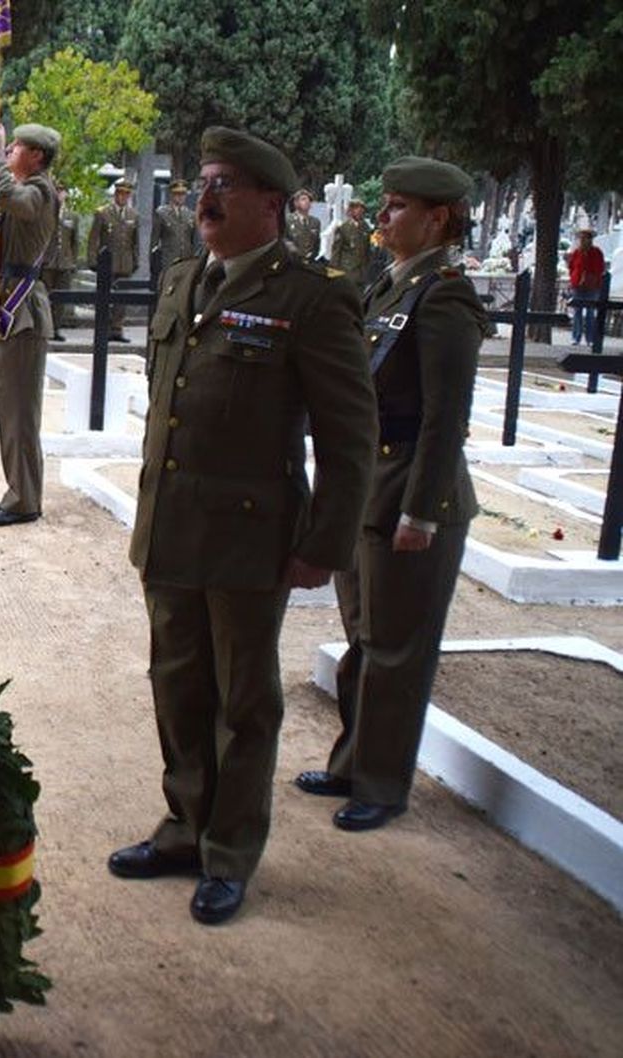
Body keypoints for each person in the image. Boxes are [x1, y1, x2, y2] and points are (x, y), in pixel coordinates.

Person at [111, 126, 376, 926]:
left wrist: (325, 545)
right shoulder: (183, 279)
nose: (207, 198)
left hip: (248, 540)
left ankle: (229, 853)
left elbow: (349, 436)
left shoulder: (313, 297)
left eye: (225, 185)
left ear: (272, 204)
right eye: (202, 183)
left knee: (244, 702)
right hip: (172, 530)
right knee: (177, 686)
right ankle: (184, 826)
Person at [295, 157, 490, 831]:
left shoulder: (445, 297)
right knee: (364, 638)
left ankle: (382, 783)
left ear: (438, 218)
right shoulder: (391, 286)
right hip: (369, 488)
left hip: (410, 492)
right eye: (385, 202)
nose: (384, 214)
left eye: (400, 205)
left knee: (398, 648)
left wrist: (421, 510)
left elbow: (445, 418)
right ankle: (353, 761)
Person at [0, 122, 62, 527]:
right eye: (8, 146)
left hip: (22, 315)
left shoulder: (41, 191)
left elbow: (9, 196)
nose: (9, 149)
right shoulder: (24, 185)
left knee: (21, 416)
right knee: (9, 411)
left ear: (37, 157)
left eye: (17, 146)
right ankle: (19, 490)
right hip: (10, 311)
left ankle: (25, 499)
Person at [86, 178, 137, 341]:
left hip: (125, 262)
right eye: (121, 193)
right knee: (105, 298)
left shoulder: (133, 215)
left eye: (126, 194)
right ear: (115, 194)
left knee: (121, 299)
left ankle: (117, 329)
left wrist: (135, 261)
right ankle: (104, 328)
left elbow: (135, 242)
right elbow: (93, 238)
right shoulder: (103, 213)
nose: (123, 197)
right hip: (107, 262)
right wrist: (93, 260)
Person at [42, 184, 80, 341]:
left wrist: (73, 262)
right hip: (48, 262)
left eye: (62, 191)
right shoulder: (44, 213)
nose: (59, 194)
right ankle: (46, 328)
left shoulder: (72, 216)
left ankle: (56, 328)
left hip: (64, 262)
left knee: (61, 298)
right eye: (57, 191)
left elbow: (74, 242)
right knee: (45, 296)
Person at [567, 227, 606, 346]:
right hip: (577, 285)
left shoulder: (596, 252)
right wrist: (574, 280)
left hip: (592, 286)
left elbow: (600, 268)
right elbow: (572, 267)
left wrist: (592, 278)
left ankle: (590, 339)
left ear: (590, 239)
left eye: (585, 238)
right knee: (577, 312)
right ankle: (576, 337)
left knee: (590, 312)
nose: (583, 240)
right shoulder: (577, 252)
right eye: (581, 238)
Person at [152, 179, 197, 281]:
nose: (180, 197)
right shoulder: (162, 213)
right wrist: (154, 264)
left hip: (185, 260)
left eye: (183, 194)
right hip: (168, 261)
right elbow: (154, 241)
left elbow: (192, 240)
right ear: (171, 195)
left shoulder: (190, 215)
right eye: (177, 194)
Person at [329, 198, 372, 280]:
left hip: (362, 272)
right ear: (351, 211)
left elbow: (367, 249)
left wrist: (368, 267)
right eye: (357, 208)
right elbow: (336, 251)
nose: (360, 211)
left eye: (362, 209)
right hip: (347, 270)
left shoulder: (365, 227)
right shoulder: (343, 228)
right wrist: (333, 272)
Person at [286, 187, 322, 259]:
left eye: (309, 200)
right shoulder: (288, 220)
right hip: (291, 261)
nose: (307, 201)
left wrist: (312, 255)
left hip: (309, 261)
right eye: (303, 199)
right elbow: (284, 239)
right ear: (296, 203)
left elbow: (317, 243)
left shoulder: (315, 222)